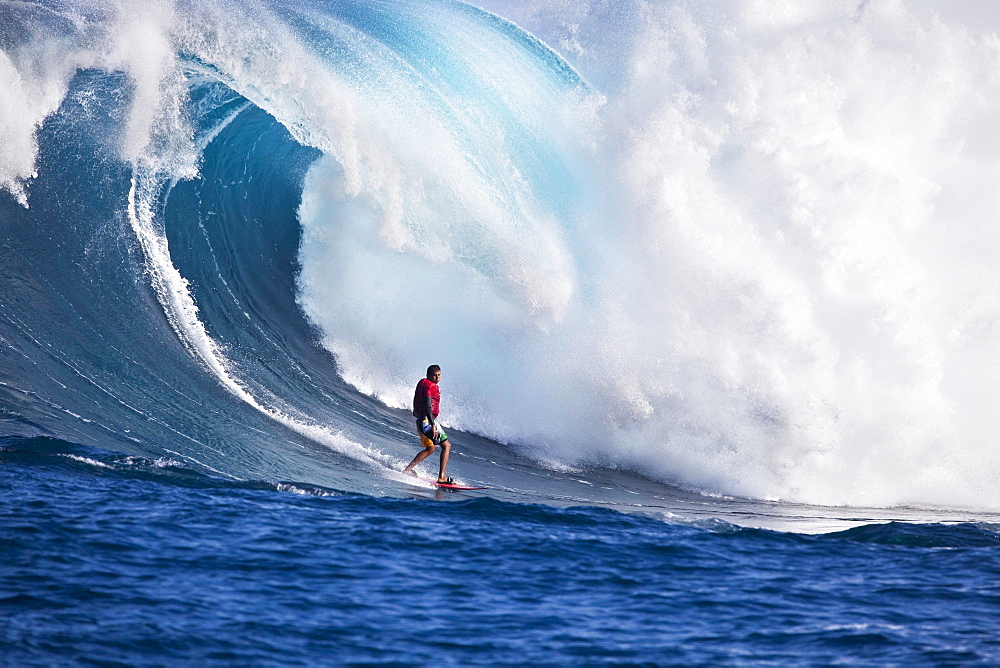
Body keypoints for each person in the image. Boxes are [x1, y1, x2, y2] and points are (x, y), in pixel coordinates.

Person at [402, 364, 453, 484]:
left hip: (421, 421)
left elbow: (417, 399)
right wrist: (433, 425)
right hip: (427, 422)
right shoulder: (430, 387)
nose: (437, 378)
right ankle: (442, 477)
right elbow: (428, 406)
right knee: (446, 446)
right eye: (434, 375)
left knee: (430, 448)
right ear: (428, 375)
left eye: (439, 375)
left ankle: (408, 469)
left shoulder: (423, 383)